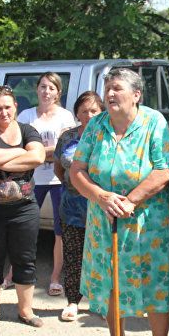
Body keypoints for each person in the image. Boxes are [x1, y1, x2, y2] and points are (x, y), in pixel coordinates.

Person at [70, 68, 169, 336]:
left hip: (148, 222)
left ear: (136, 95)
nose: (109, 94)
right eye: (107, 88)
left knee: (154, 283)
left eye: (116, 88)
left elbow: (164, 170)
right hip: (104, 217)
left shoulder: (153, 122)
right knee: (109, 281)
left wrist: (130, 200)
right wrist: (102, 197)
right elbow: (77, 169)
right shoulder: (96, 125)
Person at [0, 86, 46, 328]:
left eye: (7, 107)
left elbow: (37, 157)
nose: (3, 112)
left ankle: (26, 311)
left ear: (15, 107)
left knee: (25, 257)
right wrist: (19, 154)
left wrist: (0, 154)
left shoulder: (27, 130)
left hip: (24, 207)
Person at [17, 72, 76, 297]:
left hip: (57, 179)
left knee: (59, 232)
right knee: (23, 229)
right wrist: (44, 153)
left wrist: (37, 151)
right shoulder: (26, 115)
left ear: (58, 92)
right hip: (31, 178)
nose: (46, 91)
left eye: (51, 88)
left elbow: (64, 150)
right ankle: (14, 274)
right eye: (42, 86)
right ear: (37, 89)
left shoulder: (65, 116)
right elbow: (20, 146)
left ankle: (54, 278)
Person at [53, 91, 104, 322]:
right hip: (72, 204)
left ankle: (101, 303)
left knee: (101, 256)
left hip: (100, 204)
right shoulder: (67, 137)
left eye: (94, 110)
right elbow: (58, 168)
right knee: (73, 254)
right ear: (77, 113)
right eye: (84, 111)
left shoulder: (108, 136)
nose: (89, 115)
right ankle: (73, 301)